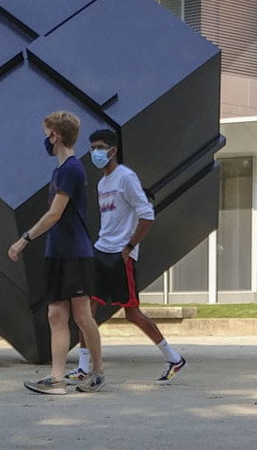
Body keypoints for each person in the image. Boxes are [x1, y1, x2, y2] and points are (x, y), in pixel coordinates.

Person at [69, 127, 186, 384]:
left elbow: (147, 215)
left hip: (120, 256)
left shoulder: (126, 177)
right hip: (101, 250)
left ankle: (174, 358)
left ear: (113, 150)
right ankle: (82, 367)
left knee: (131, 313)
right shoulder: (102, 183)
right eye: (92, 148)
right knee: (85, 311)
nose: (95, 153)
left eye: (100, 147)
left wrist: (129, 247)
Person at [8, 111, 105, 394]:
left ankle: (97, 373)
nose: (45, 139)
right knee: (55, 315)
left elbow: (54, 215)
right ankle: (57, 378)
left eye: (47, 133)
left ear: (56, 135)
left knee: (82, 315)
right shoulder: (59, 171)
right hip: (58, 253)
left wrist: (23, 239)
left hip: (75, 253)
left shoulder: (72, 169)